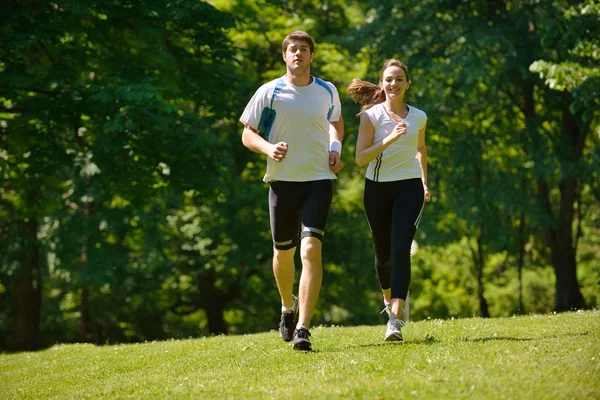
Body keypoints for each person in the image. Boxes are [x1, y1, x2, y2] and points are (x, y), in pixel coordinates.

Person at [240, 30, 344, 351]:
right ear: (284, 56)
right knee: (282, 253)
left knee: (310, 250)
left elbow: (336, 122)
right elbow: (248, 133)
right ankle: (288, 306)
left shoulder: (327, 90)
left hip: (318, 180)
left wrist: (335, 147)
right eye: (292, 50)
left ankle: (303, 328)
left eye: (303, 49)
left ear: (311, 56)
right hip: (282, 182)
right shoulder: (270, 92)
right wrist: (269, 149)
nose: (298, 54)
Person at [347, 59, 430, 342]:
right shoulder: (371, 116)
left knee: (400, 250)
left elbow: (420, 149)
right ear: (381, 84)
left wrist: (424, 181)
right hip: (377, 189)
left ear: (408, 83)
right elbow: (360, 159)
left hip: (410, 187)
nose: (393, 84)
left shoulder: (419, 116)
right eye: (388, 80)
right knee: (383, 255)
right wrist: (390, 139)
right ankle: (388, 300)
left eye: (399, 79)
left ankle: (395, 319)